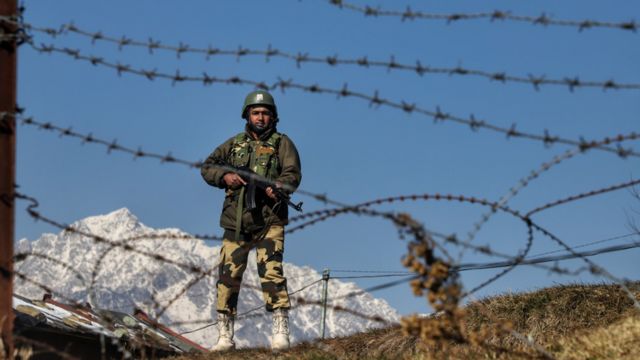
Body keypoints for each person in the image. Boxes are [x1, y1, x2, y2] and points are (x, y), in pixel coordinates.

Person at [200, 90, 302, 351]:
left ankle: (280, 329)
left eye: (265, 113)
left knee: (272, 273)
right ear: (247, 115)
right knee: (228, 277)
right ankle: (224, 335)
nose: (260, 117)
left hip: (270, 220)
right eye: (256, 112)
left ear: (273, 117)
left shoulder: (282, 143)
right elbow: (208, 166)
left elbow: (292, 173)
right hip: (236, 221)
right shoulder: (234, 144)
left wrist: (278, 186)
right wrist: (226, 177)